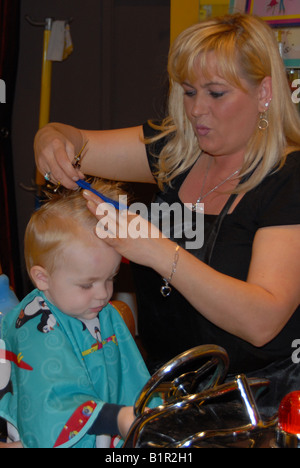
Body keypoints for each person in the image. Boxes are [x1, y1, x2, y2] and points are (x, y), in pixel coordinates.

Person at [34, 13, 300, 415]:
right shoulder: (176, 151)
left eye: (216, 93)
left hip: (258, 406)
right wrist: (50, 139)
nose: (196, 110)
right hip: (170, 392)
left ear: (263, 92)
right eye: (189, 92)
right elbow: (75, 139)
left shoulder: (288, 179)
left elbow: (261, 322)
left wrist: (156, 250)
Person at [0, 180, 157, 448]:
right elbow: (52, 402)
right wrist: (116, 417)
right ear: (43, 278)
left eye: (112, 278)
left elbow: (131, 378)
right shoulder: (32, 322)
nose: (103, 294)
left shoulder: (103, 313)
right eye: (87, 284)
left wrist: (153, 412)